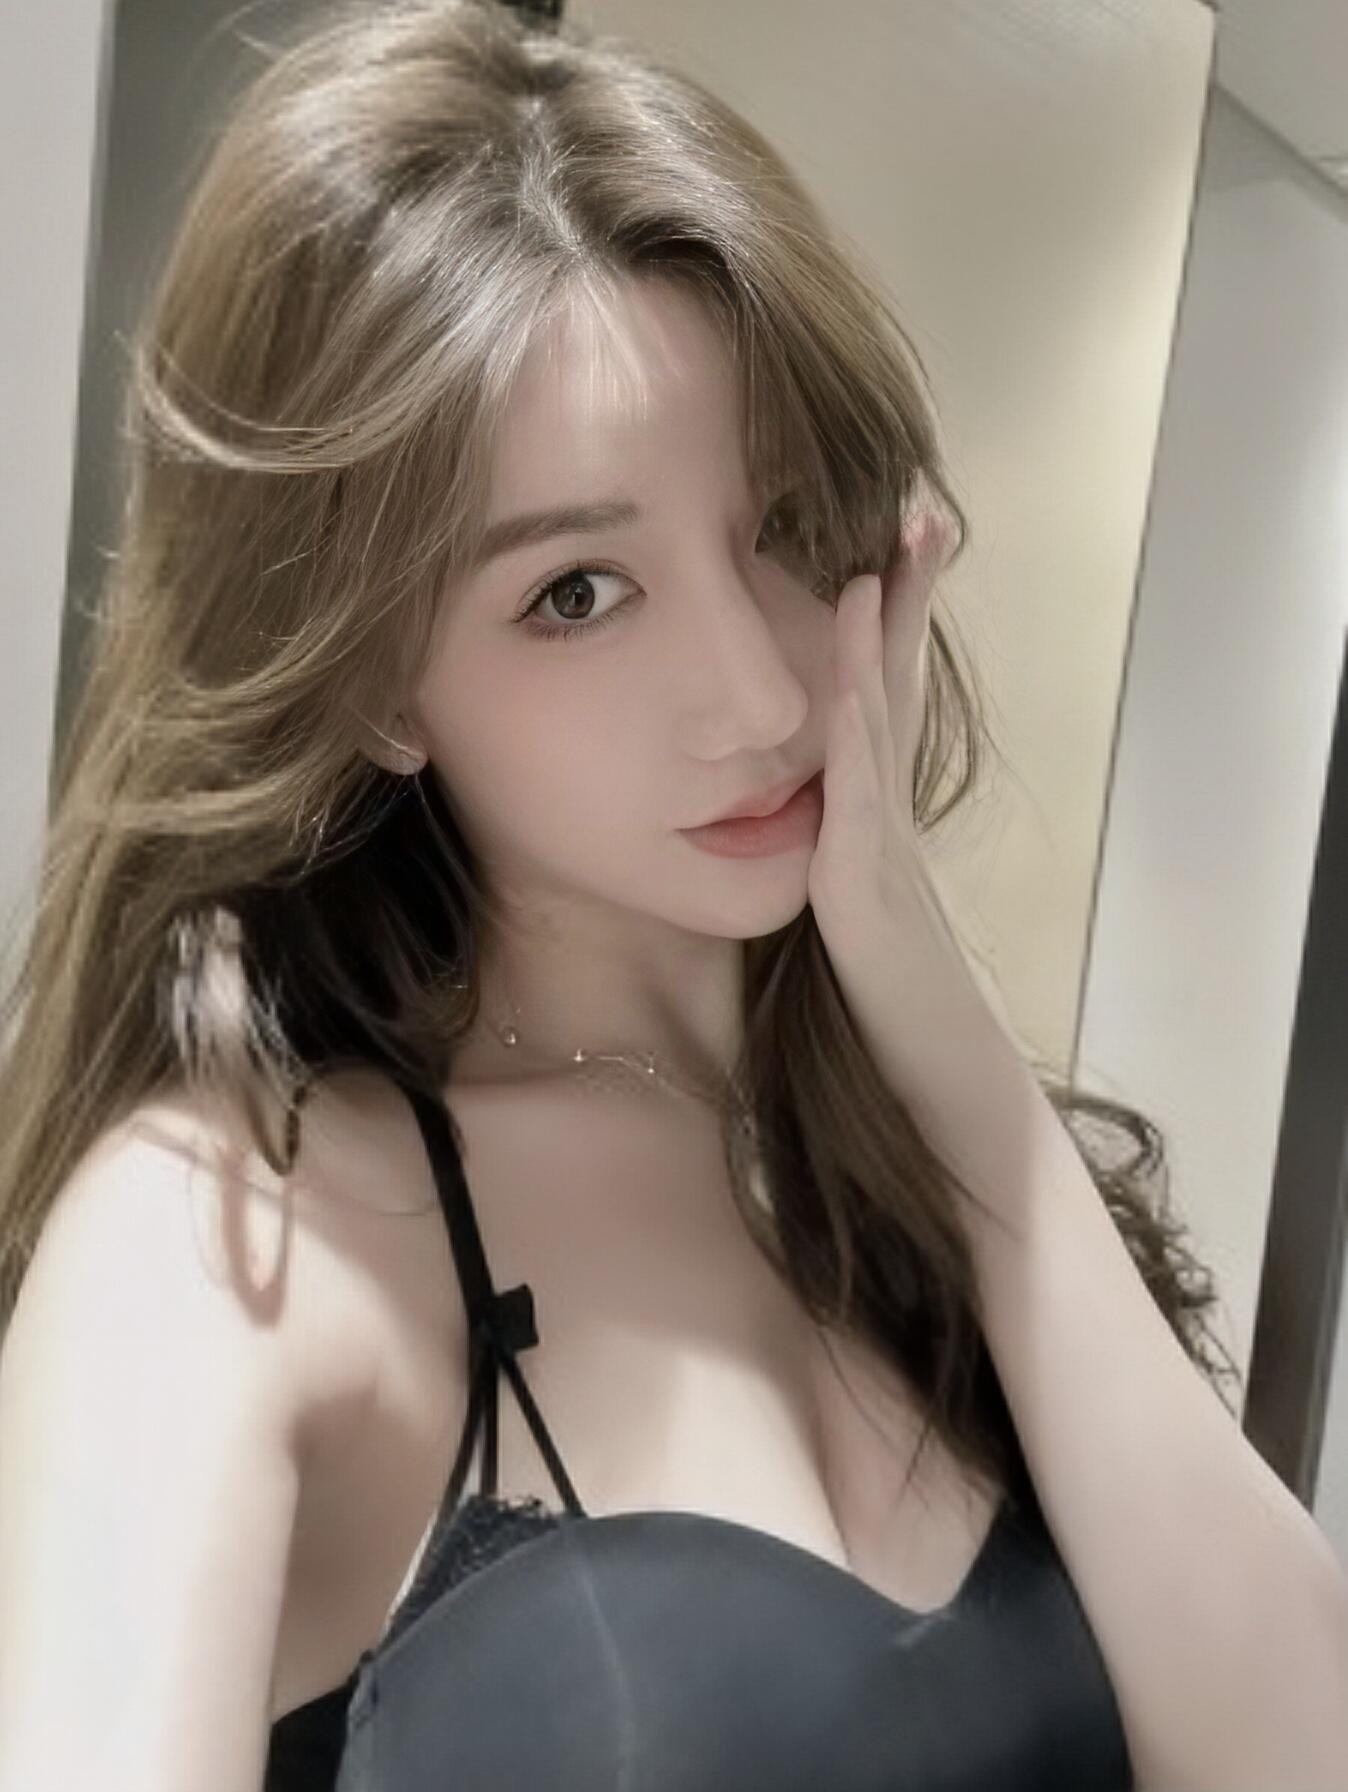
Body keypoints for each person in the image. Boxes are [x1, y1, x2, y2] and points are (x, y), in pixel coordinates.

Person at [7, 1, 1305, 1788]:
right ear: (377, 681)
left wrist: (928, 1006)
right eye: (576, 594)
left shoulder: (925, 1185)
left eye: (782, 527)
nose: (760, 696)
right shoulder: (243, 1231)